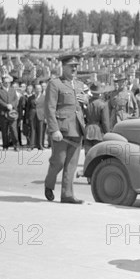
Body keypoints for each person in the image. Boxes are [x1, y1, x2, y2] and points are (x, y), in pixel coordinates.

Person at [44, 54, 87, 204]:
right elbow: (49, 108)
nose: (74, 68)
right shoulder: (55, 84)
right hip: (62, 130)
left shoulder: (80, 85)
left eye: (76, 66)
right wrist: (54, 129)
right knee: (58, 162)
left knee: (72, 164)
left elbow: (81, 107)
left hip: (77, 128)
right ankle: (49, 183)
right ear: (63, 67)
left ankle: (67, 195)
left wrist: (86, 101)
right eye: (71, 66)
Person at [84, 82, 111, 155]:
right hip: (98, 132)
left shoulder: (86, 102)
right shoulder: (103, 104)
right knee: (97, 155)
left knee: (88, 154)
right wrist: (107, 133)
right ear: (100, 93)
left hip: (88, 130)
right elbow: (105, 122)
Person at [0, 74, 20, 151]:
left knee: (13, 130)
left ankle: (16, 145)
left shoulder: (13, 90)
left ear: (10, 83)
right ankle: (5, 146)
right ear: (3, 82)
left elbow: (16, 99)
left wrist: (11, 105)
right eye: (5, 82)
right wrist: (6, 105)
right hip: (3, 113)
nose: (7, 83)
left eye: (8, 82)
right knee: (4, 130)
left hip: (12, 113)